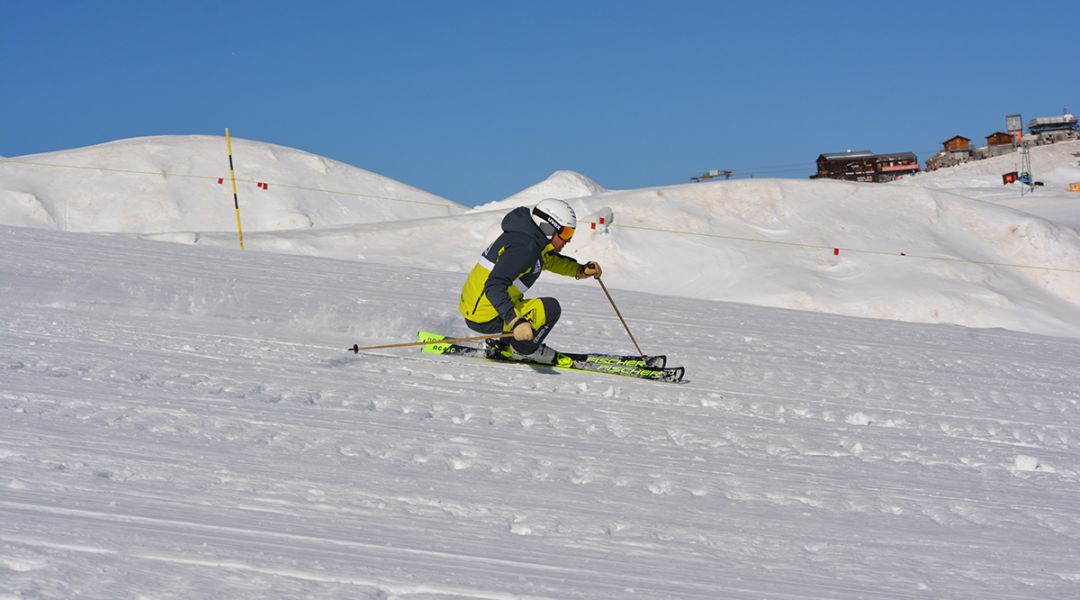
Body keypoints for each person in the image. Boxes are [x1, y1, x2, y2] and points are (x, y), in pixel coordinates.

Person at [458, 198, 602, 364]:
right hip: (486, 315)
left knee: (538, 307)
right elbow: (494, 286)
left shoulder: (531, 242)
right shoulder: (524, 248)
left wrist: (580, 270)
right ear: (547, 227)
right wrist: (516, 321)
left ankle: (510, 344)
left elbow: (549, 260)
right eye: (566, 233)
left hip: (481, 309)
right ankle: (524, 350)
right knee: (550, 309)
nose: (568, 240)